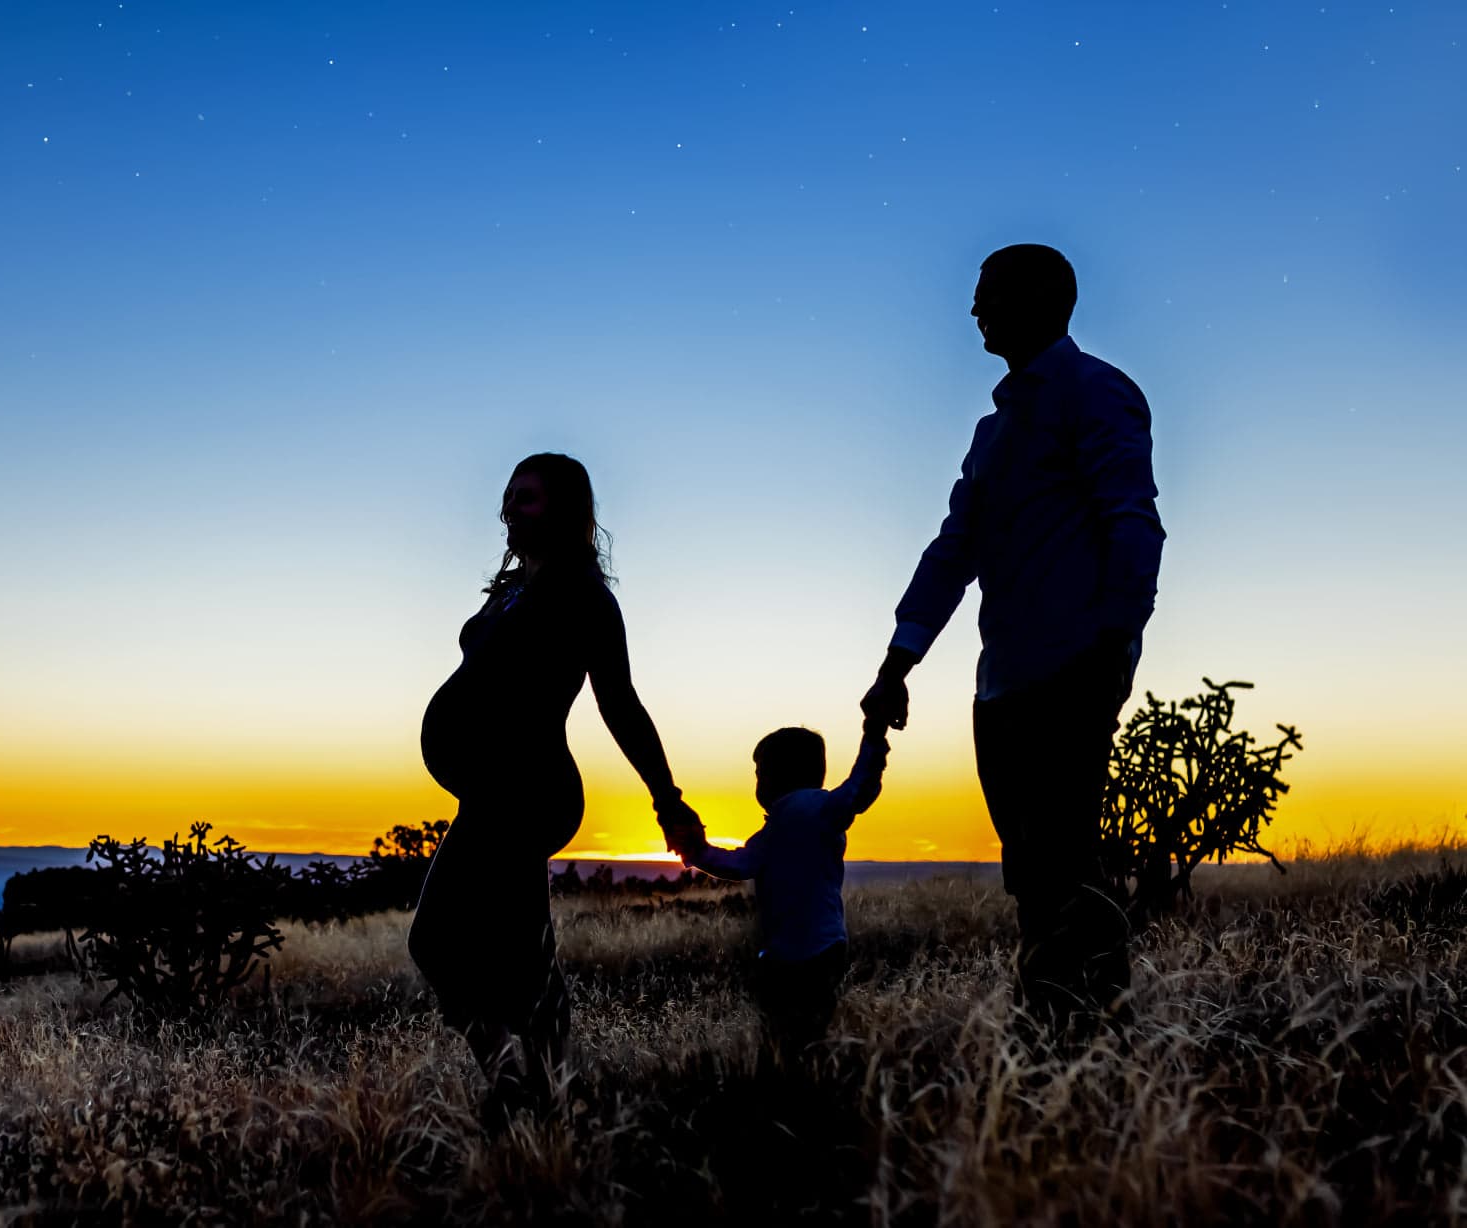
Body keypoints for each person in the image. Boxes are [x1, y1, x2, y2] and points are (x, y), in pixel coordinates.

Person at [862, 244, 1165, 1036]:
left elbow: (1133, 523)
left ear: (1040, 297)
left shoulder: (1097, 393)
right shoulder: (992, 433)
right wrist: (898, 661)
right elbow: (952, 549)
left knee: (1064, 862)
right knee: (1031, 873)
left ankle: (1090, 1043)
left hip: (1071, 672)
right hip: (1000, 688)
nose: (972, 311)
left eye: (986, 294)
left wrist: (1111, 647)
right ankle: (1051, 1039)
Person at [411, 452, 703, 1124]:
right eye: (509, 495)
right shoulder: (511, 589)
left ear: (568, 510)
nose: (512, 507)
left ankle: (530, 1089)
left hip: (528, 789)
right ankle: (538, 1087)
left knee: (451, 945)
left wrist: (666, 796)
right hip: (490, 793)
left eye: (530, 498)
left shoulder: (581, 595)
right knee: (510, 954)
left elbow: (619, 703)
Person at [675, 720, 889, 1067]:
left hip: (810, 950)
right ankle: (799, 1080)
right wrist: (697, 851)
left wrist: (874, 738)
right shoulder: (781, 824)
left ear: (780, 774)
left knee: (793, 1033)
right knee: (800, 1034)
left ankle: (799, 1085)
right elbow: (741, 863)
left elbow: (859, 788)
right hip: (803, 950)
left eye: (760, 772)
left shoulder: (816, 809)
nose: (757, 782)